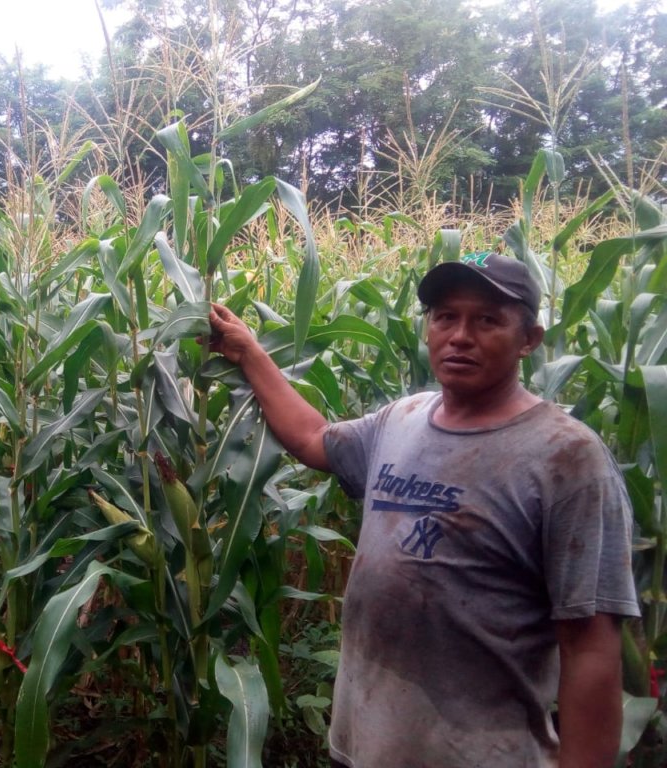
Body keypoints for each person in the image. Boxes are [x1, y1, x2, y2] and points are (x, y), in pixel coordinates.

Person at [206, 252, 640, 768]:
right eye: (444, 316)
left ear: (529, 340)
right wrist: (249, 351)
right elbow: (312, 439)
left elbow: (590, 646)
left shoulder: (566, 458)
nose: (459, 335)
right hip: (364, 746)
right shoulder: (402, 418)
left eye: (487, 320)